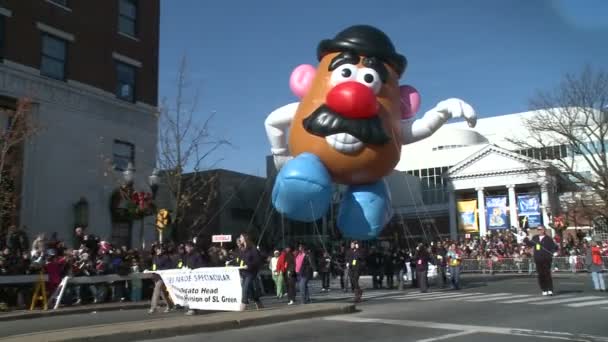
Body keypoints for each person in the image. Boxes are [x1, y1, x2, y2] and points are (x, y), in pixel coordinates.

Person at [524, 226, 558, 296]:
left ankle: (550, 289)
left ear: (544, 230)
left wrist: (554, 252)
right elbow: (529, 244)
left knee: (547, 274)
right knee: (541, 274)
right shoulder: (535, 238)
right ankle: (544, 289)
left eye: (540, 229)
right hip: (538, 259)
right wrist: (526, 239)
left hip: (546, 259)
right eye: (538, 229)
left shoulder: (548, 239)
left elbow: (554, 247)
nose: (539, 231)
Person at [237, 234, 264, 311]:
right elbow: (239, 260)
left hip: (251, 272)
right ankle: (258, 302)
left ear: (245, 238)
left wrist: (249, 265)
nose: (240, 239)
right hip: (243, 272)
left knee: (245, 288)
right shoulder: (242, 249)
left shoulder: (253, 249)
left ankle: (243, 304)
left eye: (241, 237)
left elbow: (257, 261)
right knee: (250, 289)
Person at [149, 245, 174, 314]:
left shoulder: (166, 258)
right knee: (163, 293)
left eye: (158, 249)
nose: (157, 251)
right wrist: (153, 274)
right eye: (156, 249)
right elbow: (154, 267)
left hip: (163, 277)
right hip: (157, 277)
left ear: (162, 250)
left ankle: (153, 307)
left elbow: (169, 267)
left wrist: (160, 271)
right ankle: (170, 305)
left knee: (156, 290)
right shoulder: (155, 258)